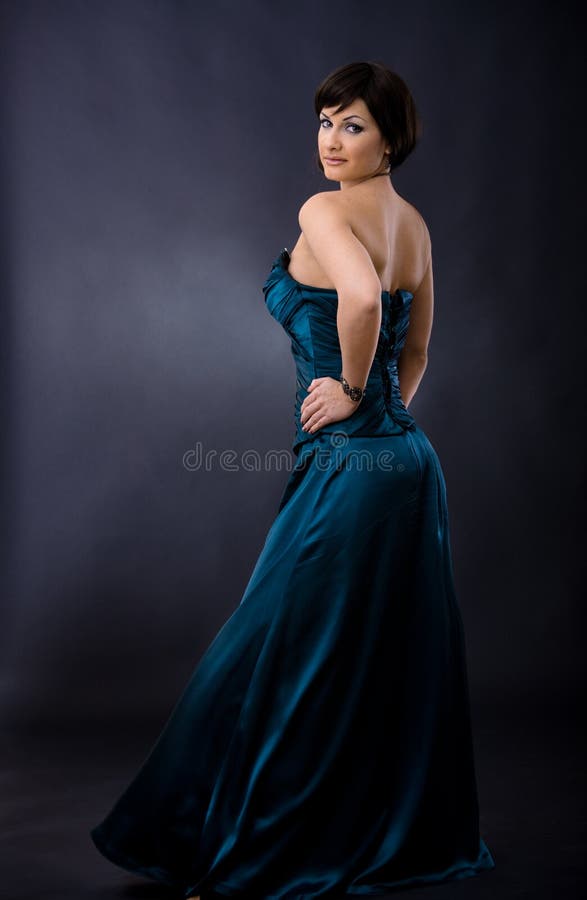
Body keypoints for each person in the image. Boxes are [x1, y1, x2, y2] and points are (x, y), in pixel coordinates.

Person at [90, 60, 496, 898]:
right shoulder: (413, 227)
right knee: (367, 659)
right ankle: (355, 833)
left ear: (391, 136)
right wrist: (380, 409)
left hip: (353, 463)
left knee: (277, 651)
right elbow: (414, 351)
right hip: (406, 465)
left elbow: (362, 304)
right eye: (323, 122)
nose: (331, 141)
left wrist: (348, 397)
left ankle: (240, 849)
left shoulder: (320, 211)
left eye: (352, 125)